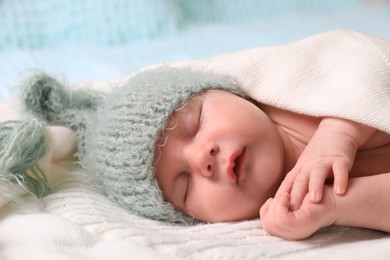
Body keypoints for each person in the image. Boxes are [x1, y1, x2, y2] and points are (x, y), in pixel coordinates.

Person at [1, 30, 389, 241]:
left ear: (226, 91)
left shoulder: (302, 97)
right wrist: (338, 206)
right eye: (184, 184)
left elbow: (366, 60)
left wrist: (339, 134)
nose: (201, 157)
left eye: (196, 123)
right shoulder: (291, 208)